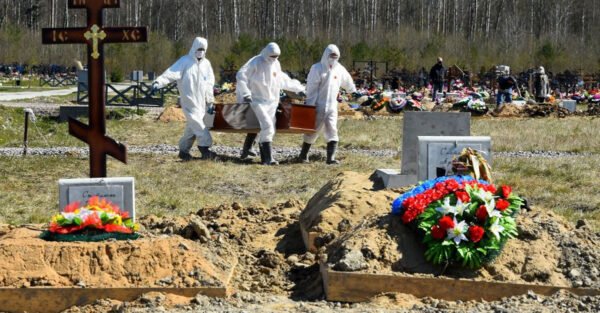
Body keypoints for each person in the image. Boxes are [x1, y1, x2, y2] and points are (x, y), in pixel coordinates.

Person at [236, 42, 305, 165]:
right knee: (267, 125)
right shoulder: (255, 62)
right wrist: (246, 94)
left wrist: (298, 89)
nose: (274, 59)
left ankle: (261, 156)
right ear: (266, 53)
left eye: (276, 56)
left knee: (269, 128)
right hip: (257, 100)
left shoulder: (276, 64)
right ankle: (267, 159)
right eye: (272, 56)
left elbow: (283, 79)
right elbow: (241, 75)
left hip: (272, 102)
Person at [152, 37, 216, 161]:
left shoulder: (206, 64)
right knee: (199, 125)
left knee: (192, 128)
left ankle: (183, 151)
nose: (201, 51)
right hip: (188, 101)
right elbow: (170, 73)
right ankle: (205, 149)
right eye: (199, 48)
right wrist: (158, 82)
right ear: (193, 48)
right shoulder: (184, 61)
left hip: (201, 103)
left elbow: (209, 84)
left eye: (203, 49)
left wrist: (210, 101)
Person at [298, 44, 358, 165]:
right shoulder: (317, 68)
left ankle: (330, 158)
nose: (333, 58)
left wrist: (353, 91)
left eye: (335, 56)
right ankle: (303, 155)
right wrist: (310, 105)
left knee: (332, 130)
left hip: (331, 106)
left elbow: (347, 81)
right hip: (318, 105)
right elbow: (311, 88)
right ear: (326, 55)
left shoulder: (340, 69)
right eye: (331, 56)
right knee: (312, 131)